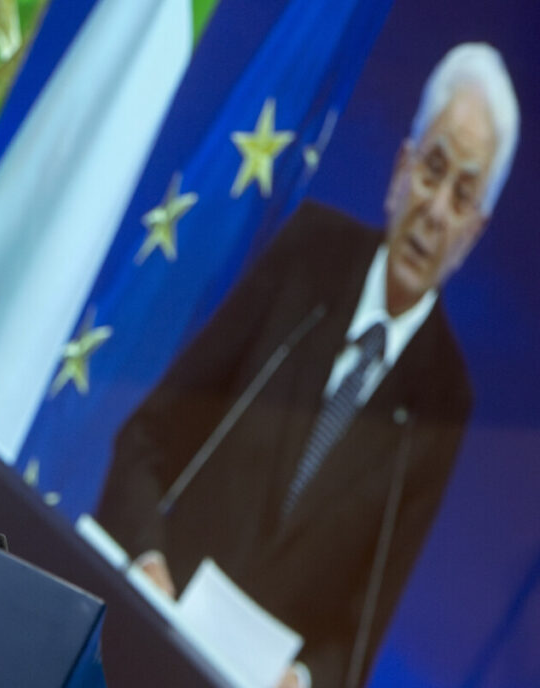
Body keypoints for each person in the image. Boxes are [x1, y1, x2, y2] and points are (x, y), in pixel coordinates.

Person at [96, 43, 518, 687]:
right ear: (401, 168)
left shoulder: (444, 399)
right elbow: (146, 440)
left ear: (473, 233)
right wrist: (146, 563)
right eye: (433, 170)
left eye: (462, 196)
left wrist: (304, 681)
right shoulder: (308, 255)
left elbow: (359, 634)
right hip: (148, 629)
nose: (435, 210)